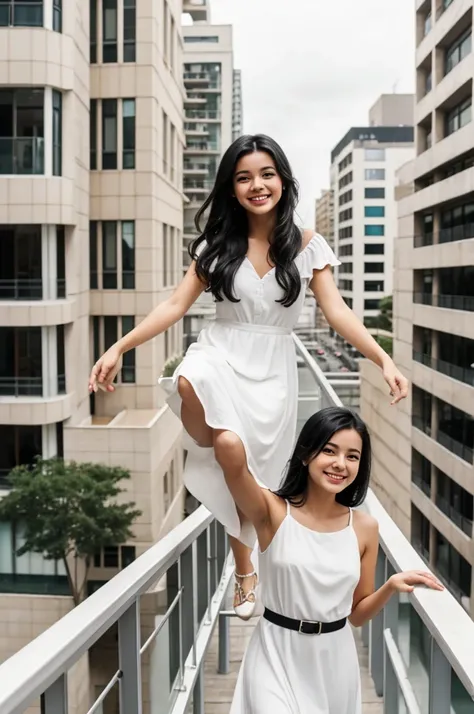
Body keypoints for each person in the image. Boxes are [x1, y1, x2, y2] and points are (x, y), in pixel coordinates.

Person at [88, 133, 409, 619]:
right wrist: (120, 346)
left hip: (273, 369)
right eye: (243, 178)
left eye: (265, 174)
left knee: (242, 464)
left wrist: (382, 358)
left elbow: (337, 310)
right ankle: (243, 564)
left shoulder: (305, 245)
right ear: (231, 188)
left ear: (281, 179)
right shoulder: (216, 247)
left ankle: (247, 568)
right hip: (222, 350)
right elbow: (175, 306)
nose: (256, 185)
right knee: (191, 381)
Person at [222, 406, 443, 713]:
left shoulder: (365, 528)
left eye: (353, 456)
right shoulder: (271, 511)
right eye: (329, 450)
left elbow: (356, 614)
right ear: (305, 454)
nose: (341, 464)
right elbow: (230, 456)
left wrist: (390, 586)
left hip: (334, 660)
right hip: (275, 652)